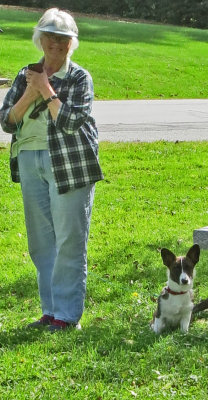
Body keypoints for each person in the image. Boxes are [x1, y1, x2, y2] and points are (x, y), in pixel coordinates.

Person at [0, 8, 104, 332]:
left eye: (63, 41)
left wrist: (46, 90)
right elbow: (6, 121)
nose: (56, 46)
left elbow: (72, 122)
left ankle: (67, 316)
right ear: (40, 41)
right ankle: (50, 311)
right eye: (50, 39)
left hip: (70, 164)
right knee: (42, 242)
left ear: (72, 44)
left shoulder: (79, 78)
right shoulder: (25, 75)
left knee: (70, 240)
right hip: (30, 160)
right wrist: (30, 91)